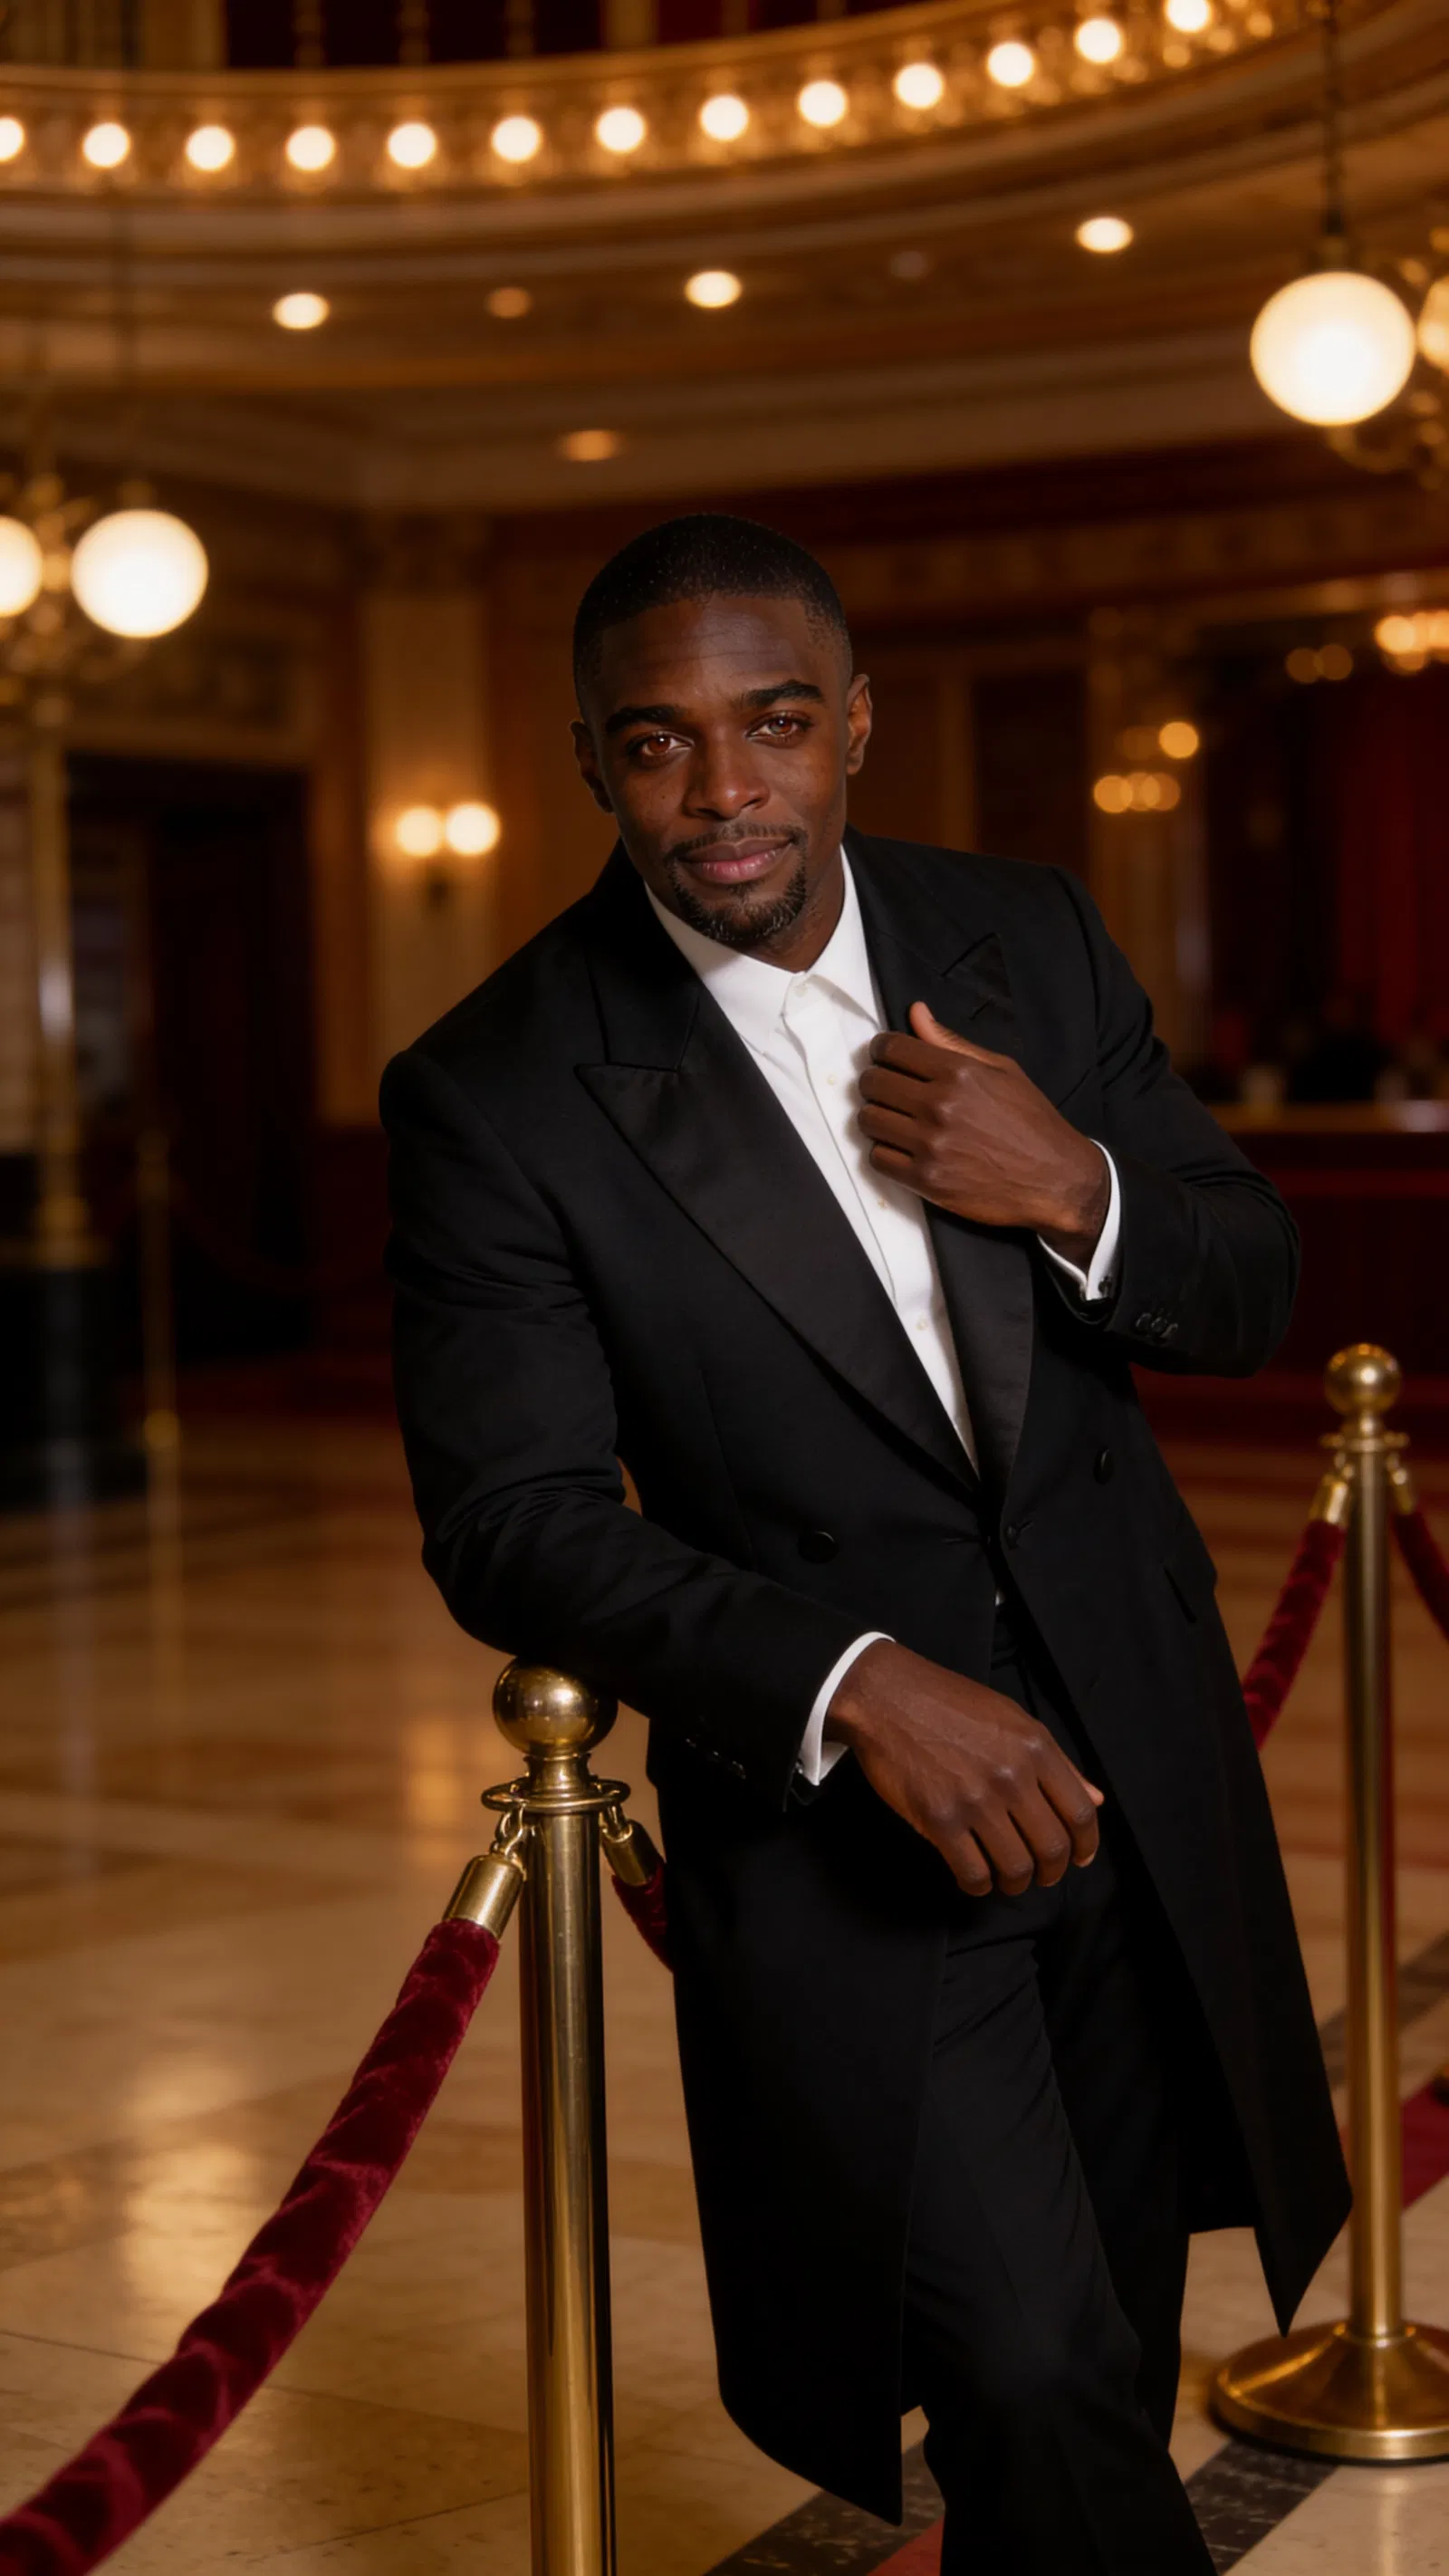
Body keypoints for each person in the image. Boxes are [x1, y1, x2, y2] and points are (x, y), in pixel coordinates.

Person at [382, 514, 1348, 2575]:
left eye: (772, 726)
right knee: (1008, 2362)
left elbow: (1247, 1278)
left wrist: (1071, 1182)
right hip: (852, 1828)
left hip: (1133, 1761)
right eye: (657, 746)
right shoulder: (496, 1086)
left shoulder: (1026, 936)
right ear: (592, 765)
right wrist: (847, 1686)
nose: (721, 791)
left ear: (853, 731)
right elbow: (510, 1519)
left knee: (1105, 2324)